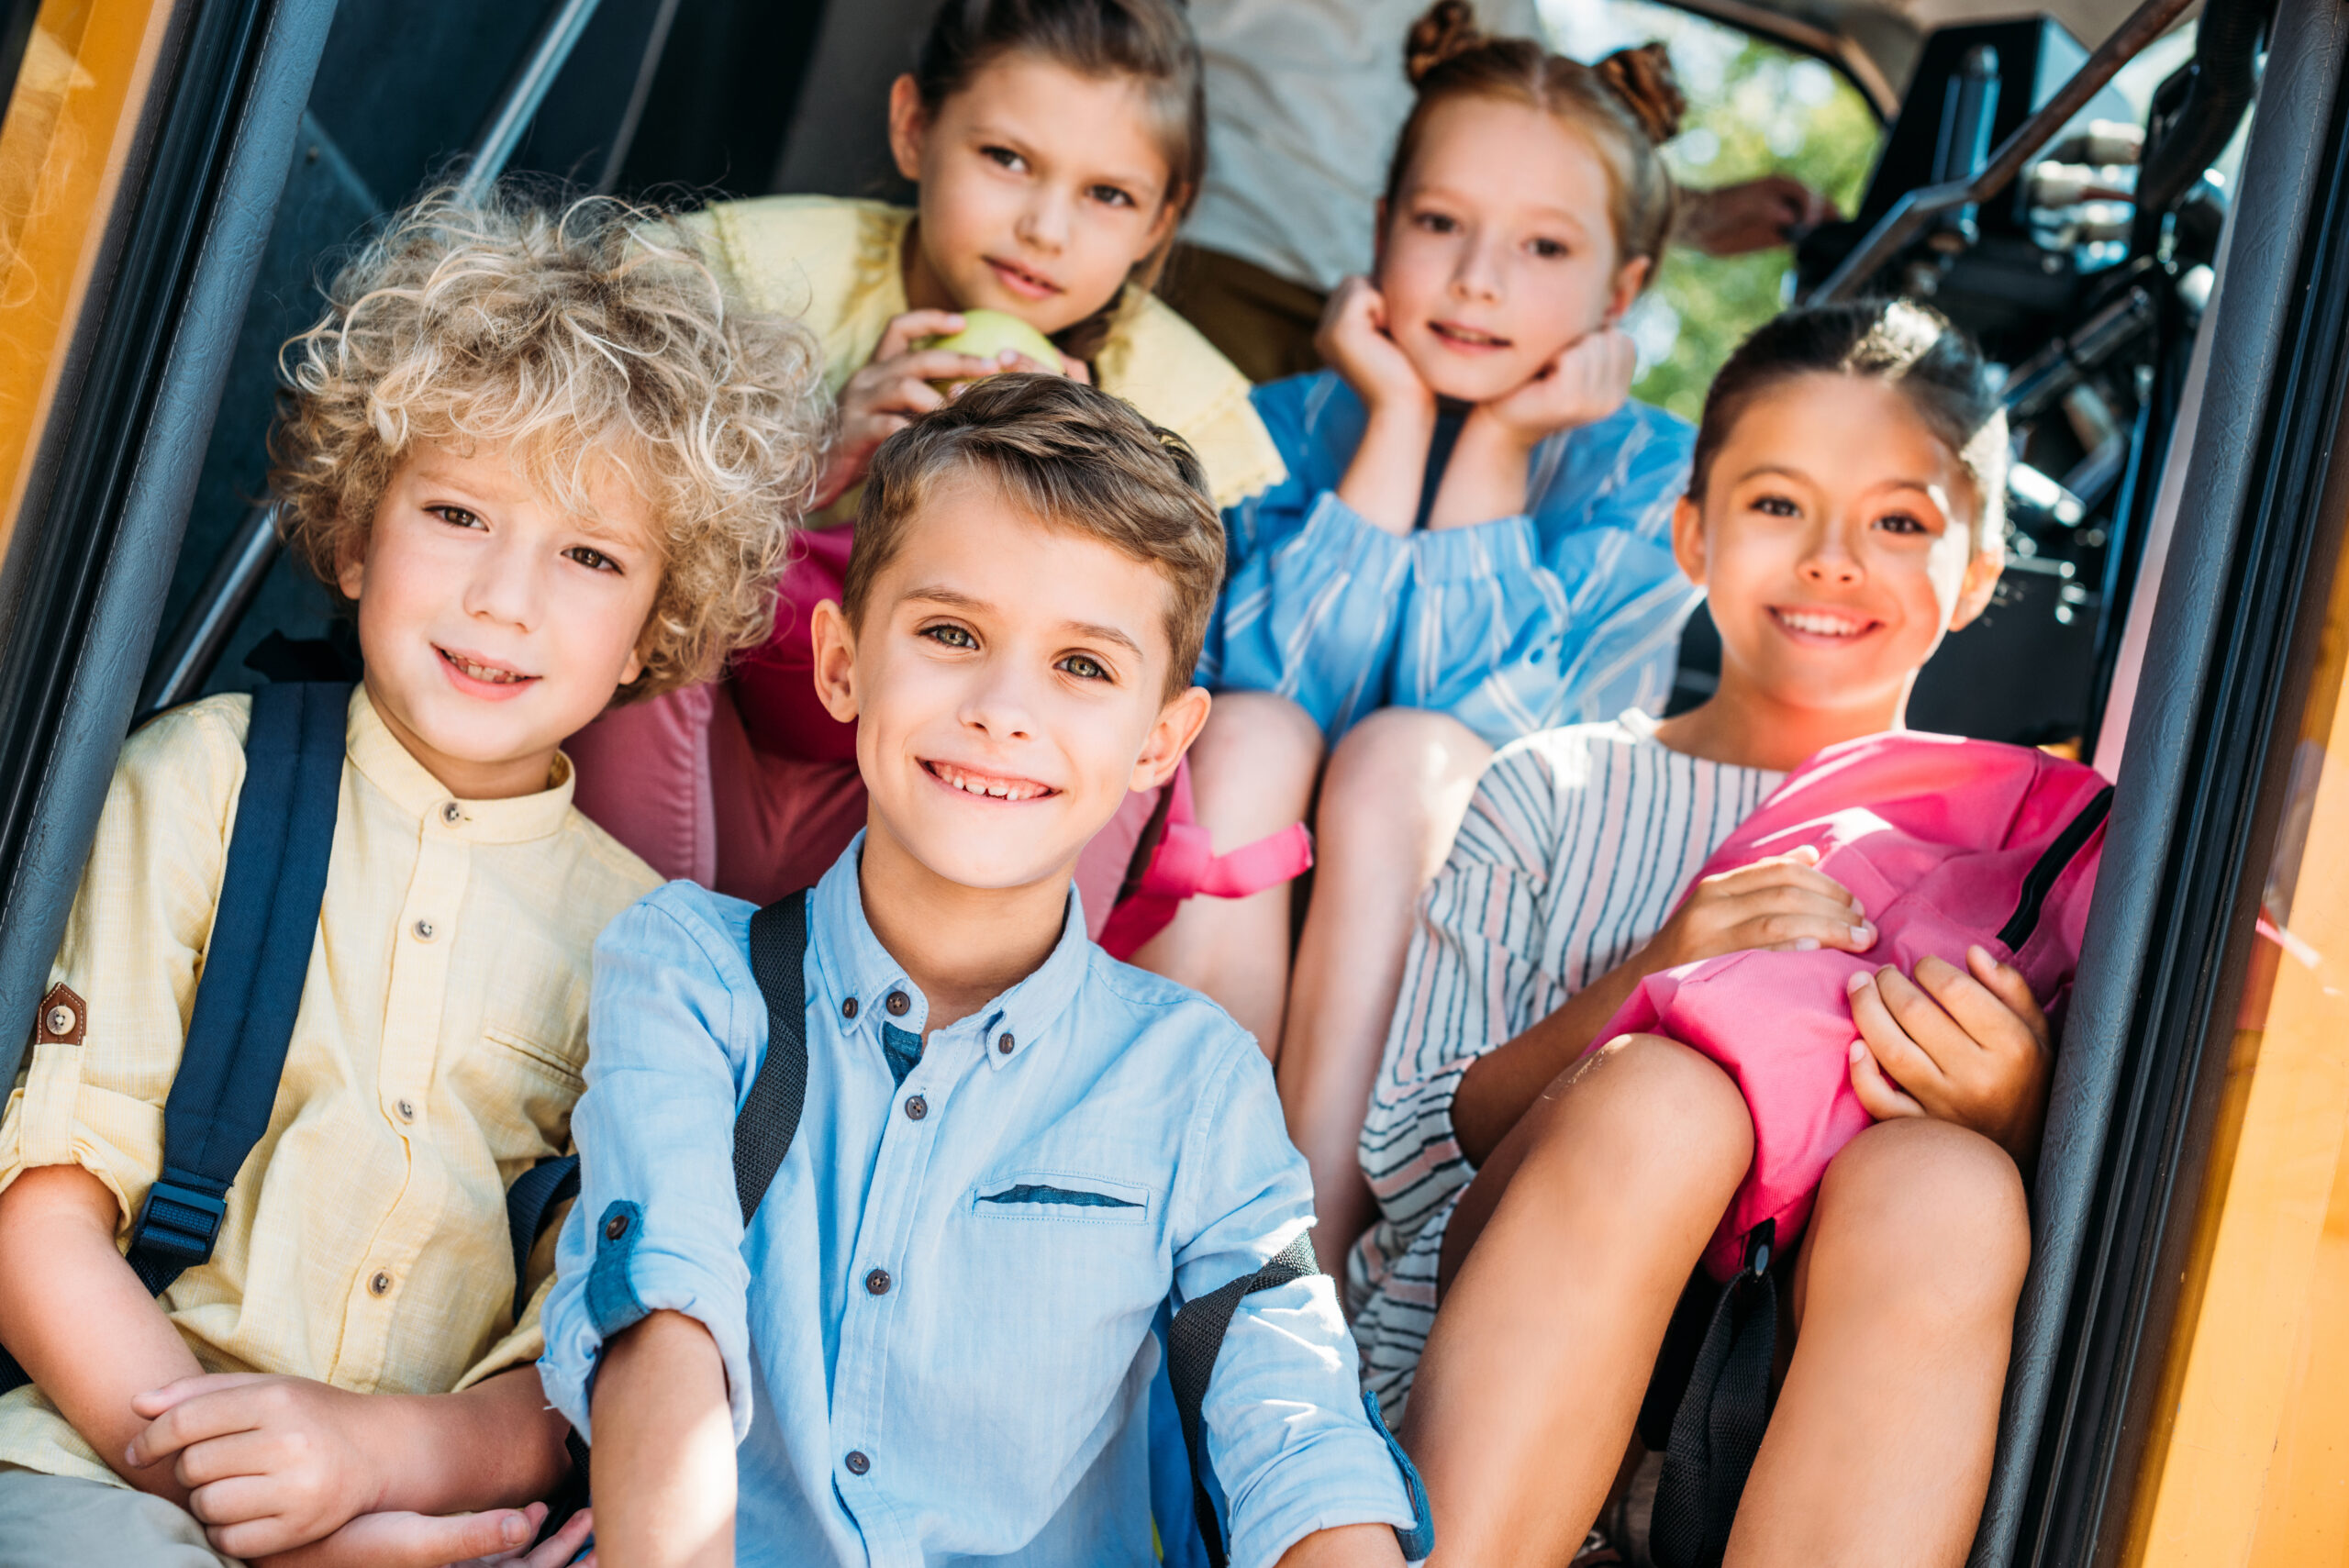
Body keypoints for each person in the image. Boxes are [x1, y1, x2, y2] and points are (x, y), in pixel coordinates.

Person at [0, 191, 825, 1568]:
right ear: (355, 532)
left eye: (590, 556)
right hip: (108, 1468)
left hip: (438, 1521)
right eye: (456, 512)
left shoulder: (648, 946)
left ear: (652, 628)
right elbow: (41, 1221)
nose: (506, 599)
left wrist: (376, 1470)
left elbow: (578, 1362)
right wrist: (255, 1496)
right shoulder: (200, 782)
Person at [537, 375, 1427, 1568]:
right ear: (844, 664)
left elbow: (1297, 1429)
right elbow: (665, 1322)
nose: (1007, 708)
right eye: (952, 635)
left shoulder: (1194, 1076)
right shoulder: (692, 971)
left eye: (1085, 668)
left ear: (1160, 742)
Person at [1355, 299, 2045, 1565]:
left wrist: (2012, 1111)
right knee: (1668, 1101)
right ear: (1692, 534)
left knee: (1951, 1186)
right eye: (1780, 505)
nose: (1835, 558)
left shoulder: (2015, 861)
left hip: (1775, 1410)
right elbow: (1408, 1156)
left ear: (1982, 574)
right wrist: (1653, 976)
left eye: (1899, 521)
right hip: (1500, 1342)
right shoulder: (1556, 789)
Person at [1142, 1, 1701, 1268]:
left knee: (1403, 757)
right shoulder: (1284, 426)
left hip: (1480, 969)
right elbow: (1267, 675)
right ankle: (1155, 1208)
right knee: (1250, 725)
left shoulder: (1650, 486)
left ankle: (1300, 1269)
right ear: (1380, 229)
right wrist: (1394, 422)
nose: (1477, 280)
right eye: (1439, 225)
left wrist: (1498, 450)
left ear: (1623, 292)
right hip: (1242, 911)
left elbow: (1492, 761)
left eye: (1543, 248)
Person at [567, 0, 1282, 921]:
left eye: (1107, 195)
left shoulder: (1180, 397)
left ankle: (992, 1035)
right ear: (914, 128)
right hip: (710, 761)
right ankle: (630, 951)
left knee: (1135, 710)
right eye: (1007, 159)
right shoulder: (755, 276)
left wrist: (1081, 478)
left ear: (1158, 224)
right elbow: (579, 483)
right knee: (644, 573)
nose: (1044, 227)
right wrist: (810, 458)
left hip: (946, 805)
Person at [1167, 0, 1839, 383]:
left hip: (1409, 315)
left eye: (1548, 247)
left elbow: (1551, 147)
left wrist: (1700, 215)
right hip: (1226, 255)